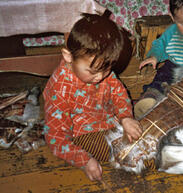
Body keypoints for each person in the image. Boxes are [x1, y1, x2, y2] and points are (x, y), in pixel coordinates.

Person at [43, 13, 142, 181]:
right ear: (68, 57)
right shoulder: (60, 90)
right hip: (80, 134)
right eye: (93, 72)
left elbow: (119, 93)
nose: (100, 77)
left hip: (109, 121)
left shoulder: (102, 71)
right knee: (123, 151)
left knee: (138, 131)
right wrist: (84, 160)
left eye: (107, 69)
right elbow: (55, 137)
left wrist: (125, 117)